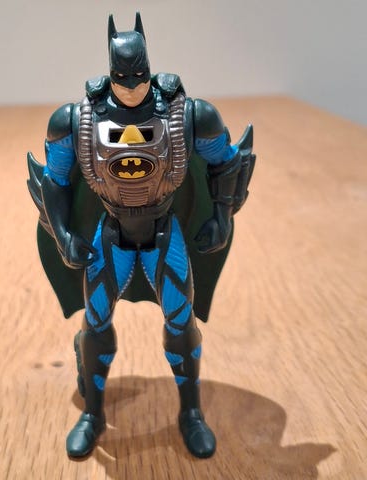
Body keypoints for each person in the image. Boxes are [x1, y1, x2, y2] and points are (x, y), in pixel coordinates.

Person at [27, 13, 255, 458]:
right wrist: (63, 233)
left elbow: (225, 162)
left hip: (164, 232)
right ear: (110, 72)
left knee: (181, 323)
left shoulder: (185, 114)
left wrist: (221, 217)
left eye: (139, 76)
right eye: (122, 77)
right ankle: (93, 414)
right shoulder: (78, 119)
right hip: (110, 234)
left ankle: (191, 413)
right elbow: (55, 181)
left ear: (149, 67)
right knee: (95, 323)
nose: (131, 86)